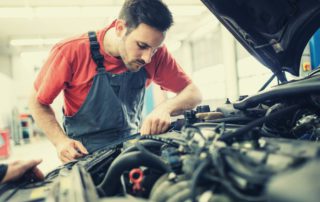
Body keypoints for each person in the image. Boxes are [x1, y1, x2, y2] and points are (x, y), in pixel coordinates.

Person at [29, 0, 202, 163]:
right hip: (85, 155)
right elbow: (37, 102)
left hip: (132, 145)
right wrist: (60, 141)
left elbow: (193, 93)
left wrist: (165, 109)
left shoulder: (156, 54)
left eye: (154, 50)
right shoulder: (71, 51)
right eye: (142, 46)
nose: (148, 58)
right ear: (120, 28)